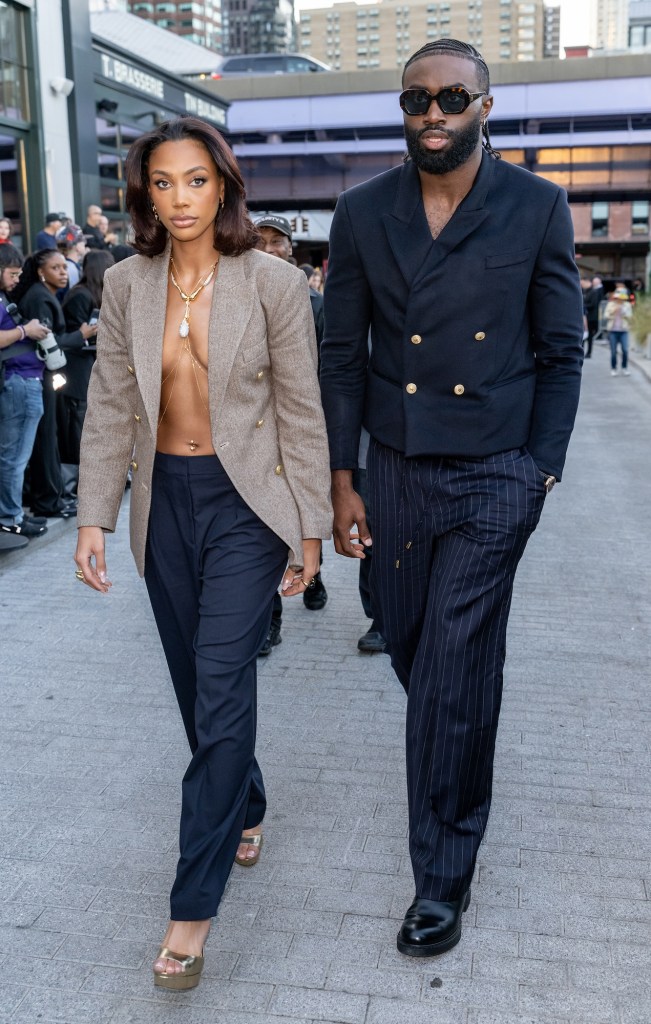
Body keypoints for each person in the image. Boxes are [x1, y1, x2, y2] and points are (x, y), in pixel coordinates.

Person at [320, 38, 583, 958]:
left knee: (450, 670)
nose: (432, 113)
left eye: (451, 98)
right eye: (415, 100)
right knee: (413, 649)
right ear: (401, 110)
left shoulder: (535, 206)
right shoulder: (359, 212)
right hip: (391, 467)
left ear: (484, 105)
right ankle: (456, 756)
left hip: (491, 474)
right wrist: (340, 477)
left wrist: (537, 469)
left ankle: (440, 877)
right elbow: (341, 354)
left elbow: (562, 350)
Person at [74, 116, 332, 991]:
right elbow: (110, 403)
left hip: (245, 505)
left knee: (223, 681)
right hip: (164, 506)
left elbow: (301, 408)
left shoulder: (272, 282)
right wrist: (92, 518)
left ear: (223, 185)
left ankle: (192, 909)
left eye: (194, 180)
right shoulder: (124, 284)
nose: (178, 198)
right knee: (196, 687)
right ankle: (246, 801)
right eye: (161, 183)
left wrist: (309, 532)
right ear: (143, 194)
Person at [255, 215, 328, 660]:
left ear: (290, 248)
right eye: (259, 239)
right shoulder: (236, 293)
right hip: (257, 429)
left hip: (302, 422)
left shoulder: (315, 301)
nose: (267, 246)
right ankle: (270, 621)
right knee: (271, 518)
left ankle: (315, 575)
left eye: (276, 241)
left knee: (306, 510)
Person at [13, 250, 97, 519]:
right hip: (41, 376)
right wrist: (80, 335)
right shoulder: (39, 297)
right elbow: (47, 343)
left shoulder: (43, 295)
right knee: (47, 437)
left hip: (44, 376)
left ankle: (51, 497)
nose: (63, 273)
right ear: (41, 271)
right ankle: (48, 500)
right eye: (56, 268)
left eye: (64, 267)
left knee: (49, 435)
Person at [0, 251, 51, 539]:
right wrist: (25, 330)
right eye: (12, 273)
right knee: (14, 458)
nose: (18, 279)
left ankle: (13, 514)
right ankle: (10, 517)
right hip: (18, 383)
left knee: (17, 457)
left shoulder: (4, 298)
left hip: (24, 382)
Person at [61, 250, 115, 475]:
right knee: (81, 418)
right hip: (77, 366)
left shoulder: (91, 293)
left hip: (86, 362)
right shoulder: (81, 295)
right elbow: (74, 332)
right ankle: (80, 472)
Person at [604, 287, 633, 376]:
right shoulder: (611, 304)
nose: (620, 299)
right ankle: (613, 368)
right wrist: (614, 310)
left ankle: (624, 367)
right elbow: (605, 316)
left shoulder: (627, 305)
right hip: (613, 331)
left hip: (624, 331)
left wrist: (624, 311)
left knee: (625, 350)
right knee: (613, 351)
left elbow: (630, 317)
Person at [56, 224, 89, 292]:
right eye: (83, 243)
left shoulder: (66, 266)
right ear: (76, 246)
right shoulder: (71, 269)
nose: (85, 245)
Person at [299, 263, 324, 344]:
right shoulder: (318, 299)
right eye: (314, 279)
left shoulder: (319, 298)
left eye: (317, 280)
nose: (315, 283)